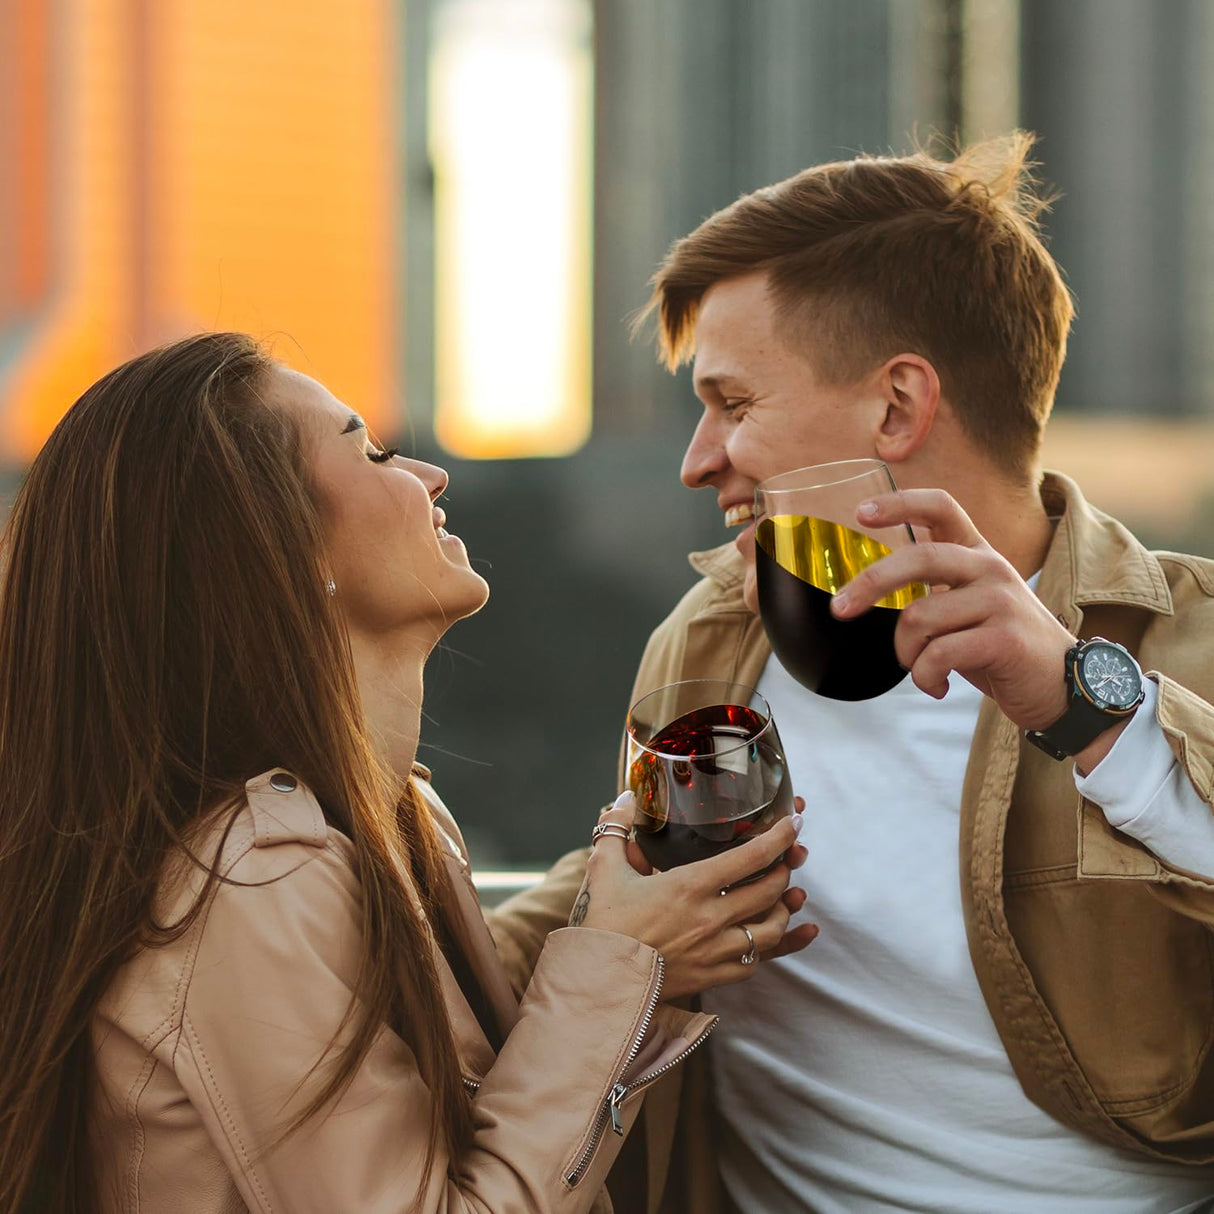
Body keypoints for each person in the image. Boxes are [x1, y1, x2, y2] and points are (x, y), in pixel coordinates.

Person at [486, 133, 1214, 1213]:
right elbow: (628, 876)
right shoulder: (709, 636)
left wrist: (1083, 705)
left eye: (734, 403)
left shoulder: (1191, 641)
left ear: (896, 408)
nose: (697, 460)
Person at [0, 332, 809, 1213]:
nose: (432, 474)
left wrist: (632, 919)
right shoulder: (255, 877)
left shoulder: (385, 815)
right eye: (374, 453)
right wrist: (624, 960)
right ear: (281, 548)